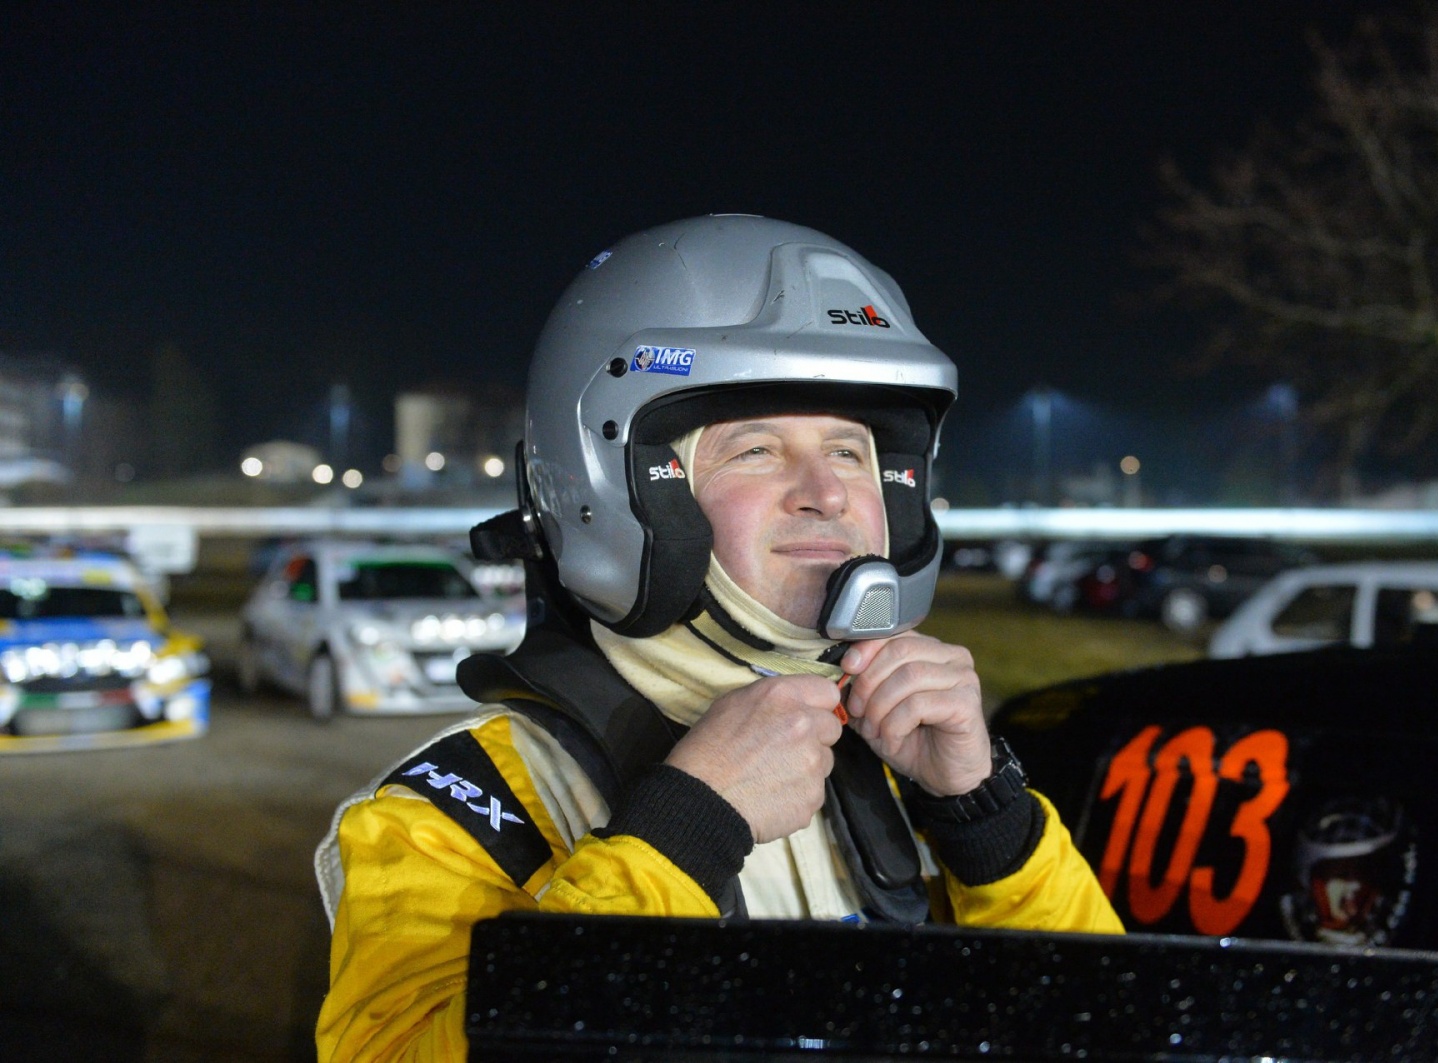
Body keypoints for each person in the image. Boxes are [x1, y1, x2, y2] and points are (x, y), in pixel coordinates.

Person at [314, 215, 1122, 1061]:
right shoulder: (452, 815)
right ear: (625, 492)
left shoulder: (911, 756)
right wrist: (681, 834)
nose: (828, 494)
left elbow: (1111, 1032)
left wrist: (987, 825)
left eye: (850, 451)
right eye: (758, 450)